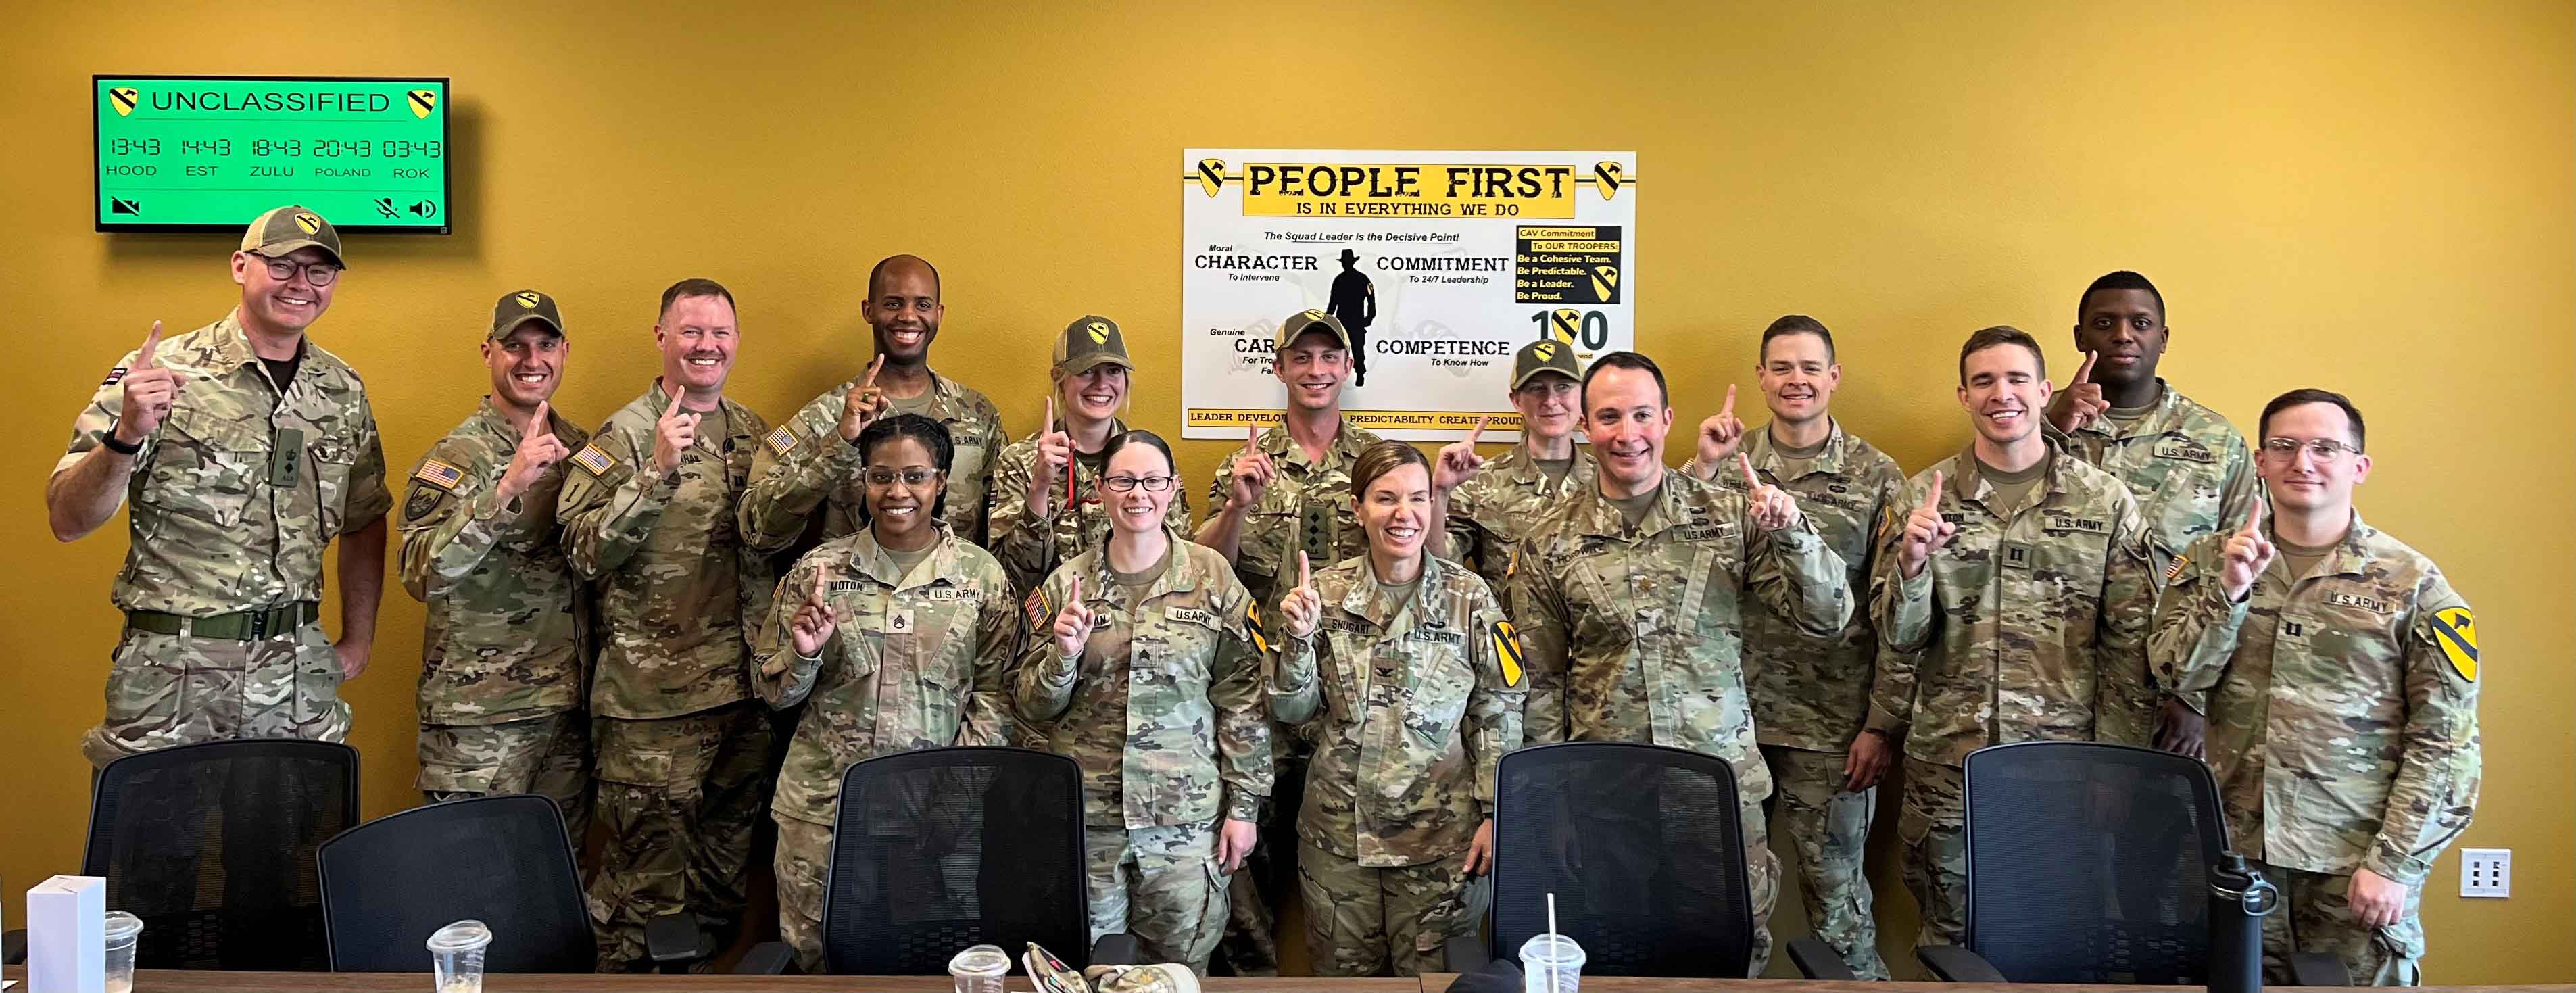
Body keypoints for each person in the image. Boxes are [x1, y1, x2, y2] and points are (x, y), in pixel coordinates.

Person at [1506, 350, 1853, 975]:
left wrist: (1793, 531)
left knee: (1729, 956)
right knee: (1615, 957)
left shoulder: (1727, 518)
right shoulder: (1547, 539)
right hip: (1606, 796)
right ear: (1586, 426)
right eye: (1608, 417)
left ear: (1666, 420)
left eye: (1641, 414)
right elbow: (1541, 683)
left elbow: (1827, 616)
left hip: (1715, 788)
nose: (1626, 433)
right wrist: (1550, 806)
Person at [2152, 389, 2478, 985]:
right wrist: (2226, 593)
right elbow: (2174, 676)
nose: (2302, 462)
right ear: (2259, 460)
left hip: (2352, 868)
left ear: (2359, 466)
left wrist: (2395, 864)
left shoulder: (2413, 585)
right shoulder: (2207, 560)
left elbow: (2446, 745)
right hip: (2231, 860)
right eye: (2284, 446)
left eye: (2325, 448)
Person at [49, 205, 389, 767]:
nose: (300, 284)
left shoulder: (342, 389)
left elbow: (364, 517)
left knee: (288, 851)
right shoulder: (164, 373)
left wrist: (359, 638)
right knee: (159, 852)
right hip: (173, 680)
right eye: (281, 265)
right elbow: (67, 518)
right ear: (240, 266)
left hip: (296, 680)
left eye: (318, 271)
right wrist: (126, 434)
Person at [1871, 325, 2159, 948]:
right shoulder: (1921, 496)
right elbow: (1897, 635)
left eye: (2015, 378)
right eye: (1983, 381)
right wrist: (1913, 568)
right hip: (1950, 763)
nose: (2001, 394)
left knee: (2059, 934)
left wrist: (2116, 764)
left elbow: (2130, 645)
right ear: (1963, 396)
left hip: (2064, 766)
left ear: (2044, 389)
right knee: (1949, 938)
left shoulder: (2105, 501)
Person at [557, 278, 777, 971]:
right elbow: (582, 550)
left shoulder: (753, 434)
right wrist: (654, 473)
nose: (706, 345)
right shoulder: (622, 435)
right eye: (690, 331)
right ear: (661, 338)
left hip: (743, 697)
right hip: (652, 708)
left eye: (719, 332)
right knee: (642, 897)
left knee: (720, 885)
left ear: (736, 342)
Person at [750, 414, 1016, 973]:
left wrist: (952, 799)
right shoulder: (820, 571)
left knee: (936, 963)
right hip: (826, 815)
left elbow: (996, 699)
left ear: (941, 481)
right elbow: (774, 693)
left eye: (915, 475)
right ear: (862, 481)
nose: (897, 491)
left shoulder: (980, 577)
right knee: (819, 962)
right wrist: (803, 652)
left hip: (936, 821)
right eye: (880, 476)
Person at [1682, 316, 1902, 980]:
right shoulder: (1724, 461)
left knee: (1836, 902)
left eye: (1810, 367)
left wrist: (1881, 722)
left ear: (1833, 376)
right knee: (1719, 903)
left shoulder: (1875, 474)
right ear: (1760, 378)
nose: (1795, 380)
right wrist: (1699, 468)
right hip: (1727, 722)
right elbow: (1672, 567)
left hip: (1829, 728)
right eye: (1781, 367)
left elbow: (1897, 607)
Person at [1015, 430, 1269, 973]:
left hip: (1185, 824)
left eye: (1153, 481)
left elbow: (1242, 698)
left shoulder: (1211, 577)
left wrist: (1244, 809)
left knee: (1176, 974)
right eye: (1123, 480)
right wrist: (1063, 655)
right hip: (1089, 824)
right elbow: (1032, 706)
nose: (1138, 494)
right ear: (1099, 491)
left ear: (1174, 489)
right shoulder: (1067, 585)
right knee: (1088, 972)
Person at [1269, 441, 1524, 976]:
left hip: (1440, 845)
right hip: (1339, 844)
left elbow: (1498, 708)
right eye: (1385, 498)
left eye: (1417, 497)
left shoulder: (1469, 597)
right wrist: (1296, 641)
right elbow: (1293, 713)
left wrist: (1496, 811)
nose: (1402, 514)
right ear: (1358, 508)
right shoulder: (1323, 593)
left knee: (1436, 984)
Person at [1194, 308, 1381, 973]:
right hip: (1261, 703)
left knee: (1350, 896)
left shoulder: (1374, 461)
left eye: (1329, 357)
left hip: (1348, 702)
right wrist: (1238, 505)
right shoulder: (1246, 461)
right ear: (1279, 369)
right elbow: (1202, 569)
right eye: (1301, 358)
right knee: (1246, 885)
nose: (1316, 370)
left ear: (1348, 367)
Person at [397, 289, 591, 839]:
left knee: (557, 881)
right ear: (488, 353)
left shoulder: (580, 447)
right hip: (479, 722)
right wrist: (507, 487)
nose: (533, 361)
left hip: (565, 714)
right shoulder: (457, 456)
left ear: (564, 350)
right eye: (515, 346)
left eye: (545, 344)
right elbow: (420, 572)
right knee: (472, 887)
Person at [2043, 270, 2259, 758]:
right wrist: (2050, 427)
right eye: (2104, 322)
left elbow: (2245, 579)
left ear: (2162, 338)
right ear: (2079, 337)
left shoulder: (2216, 442)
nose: (2122, 334)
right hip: (2052, 686)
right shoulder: (2037, 433)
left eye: (2140, 323)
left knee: (2153, 831)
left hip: (2167, 694)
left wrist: (2195, 697)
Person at [740, 254, 1006, 552]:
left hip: (953, 595)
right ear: (869, 311)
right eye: (893, 303)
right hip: (851, 594)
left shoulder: (978, 415)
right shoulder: (825, 416)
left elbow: (998, 537)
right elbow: (757, 530)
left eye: (923, 305)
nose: (908, 316)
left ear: (939, 314)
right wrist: (839, 445)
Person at [988, 316, 1194, 596]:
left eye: (1113, 371)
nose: (1101, 384)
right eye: (1087, 371)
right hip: (1051, 628)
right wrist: (1040, 487)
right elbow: (1011, 581)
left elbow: (1179, 556)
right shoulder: (1019, 462)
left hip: (1135, 623)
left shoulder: (1150, 460)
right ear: (1059, 378)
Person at [1440, 339, 1594, 594]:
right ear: (1516, 401)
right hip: (1509, 632)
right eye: (1537, 389)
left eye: (1564, 387)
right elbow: (1439, 568)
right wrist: (1440, 494)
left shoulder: (1610, 481)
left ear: (1583, 395)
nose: (1551, 401)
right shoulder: (1479, 481)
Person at [1325, 249, 1376, 387]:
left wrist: (1370, 317)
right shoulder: (1361, 279)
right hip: (1351, 322)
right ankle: (1354, 374)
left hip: (1347, 322)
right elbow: (1371, 299)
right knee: (1350, 350)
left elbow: (1332, 304)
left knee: (1346, 350)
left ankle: (1357, 375)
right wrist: (1369, 317)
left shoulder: (1340, 280)